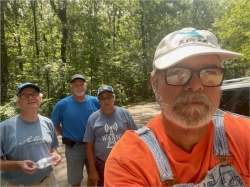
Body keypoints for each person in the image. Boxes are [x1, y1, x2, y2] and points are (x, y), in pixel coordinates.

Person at [104, 27, 250, 186]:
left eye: (209, 72)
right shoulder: (128, 162)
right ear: (154, 83)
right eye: (177, 72)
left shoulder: (245, 137)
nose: (195, 85)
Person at [0, 82, 61, 186]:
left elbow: (53, 147)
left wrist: (55, 155)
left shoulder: (47, 122)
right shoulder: (4, 127)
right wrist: (19, 165)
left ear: (40, 99)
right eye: (24, 95)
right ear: (18, 102)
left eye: (34, 94)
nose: (30, 97)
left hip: (49, 181)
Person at [83, 85, 138, 187]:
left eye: (109, 97)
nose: (106, 100)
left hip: (124, 161)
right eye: (102, 98)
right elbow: (89, 146)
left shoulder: (125, 113)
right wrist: (92, 169)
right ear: (99, 101)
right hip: (102, 163)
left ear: (114, 98)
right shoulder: (93, 118)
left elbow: (135, 137)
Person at [51, 74, 100, 187]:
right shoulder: (62, 104)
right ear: (71, 87)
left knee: (93, 175)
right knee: (75, 180)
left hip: (93, 146)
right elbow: (55, 124)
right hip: (73, 148)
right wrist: (66, 135)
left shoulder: (95, 101)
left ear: (86, 86)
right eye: (75, 85)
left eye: (81, 84)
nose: (79, 87)